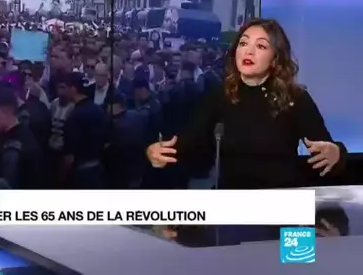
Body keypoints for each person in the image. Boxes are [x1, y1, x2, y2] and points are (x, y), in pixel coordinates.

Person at [146, 18, 347, 189]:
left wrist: (336, 153)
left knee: (302, 236)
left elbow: (326, 153)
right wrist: (155, 153)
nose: (248, 52)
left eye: (260, 46)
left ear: (275, 59)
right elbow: (187, 144)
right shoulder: (219, 95)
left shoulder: (296, 97)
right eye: (243, 44)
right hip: (232, 212)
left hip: (283, 210)